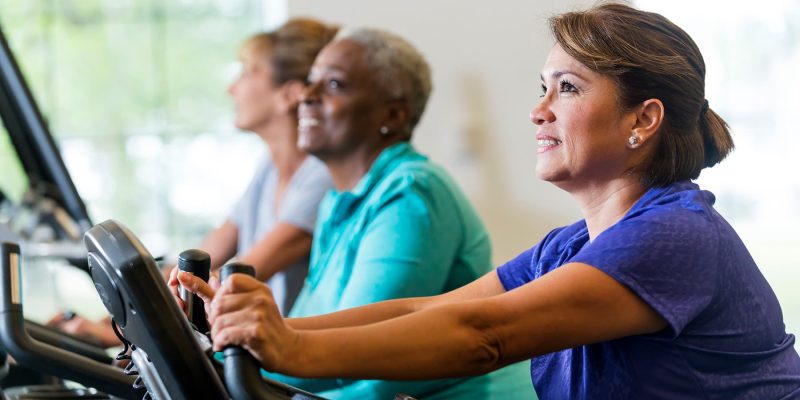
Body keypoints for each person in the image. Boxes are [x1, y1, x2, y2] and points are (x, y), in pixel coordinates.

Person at [181, 3, 800, 399]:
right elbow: (426, 308)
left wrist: (289, 347)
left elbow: (484, 335)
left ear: (643, 119)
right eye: (542, 88)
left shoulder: (675, 235)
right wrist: (255, 328)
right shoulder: (574, 245)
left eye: (568, 88)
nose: (538, 110)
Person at [174, 27, 532, 399]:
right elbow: (304, 334)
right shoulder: (339, 204)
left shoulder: (413, 193)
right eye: (310, 82)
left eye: (333, 85)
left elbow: (361, 364)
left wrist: (227, 359)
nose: (306, 97)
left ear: (393, 115)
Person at [49, 18, 337, 346]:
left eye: (247, 72)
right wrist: (111, 321)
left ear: (289, 95)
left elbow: (224, 285)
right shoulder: (269, 170)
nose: (233, 88)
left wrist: (115, 335)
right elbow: (198, 259)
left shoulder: (321, 178)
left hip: (282, 366)